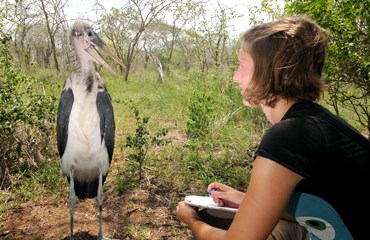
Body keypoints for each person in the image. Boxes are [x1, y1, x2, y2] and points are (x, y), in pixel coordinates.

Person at [176, 16, 370, 240]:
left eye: (242, 66)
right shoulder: (315, 122)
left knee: (208, 219)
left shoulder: (290, 137)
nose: (235, 77)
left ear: (275, 71)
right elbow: (335, 207)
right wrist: (245, 198)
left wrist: (192, 220)